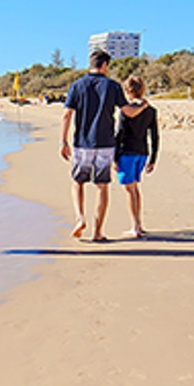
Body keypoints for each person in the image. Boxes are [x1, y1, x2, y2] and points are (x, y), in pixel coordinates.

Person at [61, 49, 126, 242]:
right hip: (106, 143)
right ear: (105, 65)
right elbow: (127, 111)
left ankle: (80, 218)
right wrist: (143, 106)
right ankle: (97, 232)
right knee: (102, 186)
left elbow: (67, 114)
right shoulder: (113, 86)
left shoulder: (77, 85)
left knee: (78, 182)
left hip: (82, 143)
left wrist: (63, 141)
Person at [115, 76, 159, 237]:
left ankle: (135, 226)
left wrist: (114, 157)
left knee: (129, 189)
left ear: (127, 91)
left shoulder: (126, 110)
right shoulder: (150, 110)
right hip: (142, 153)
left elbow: (119, 134)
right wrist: (153, 159)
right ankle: (138, 224)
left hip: (127, 152)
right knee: (134, 188)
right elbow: (155, 136)